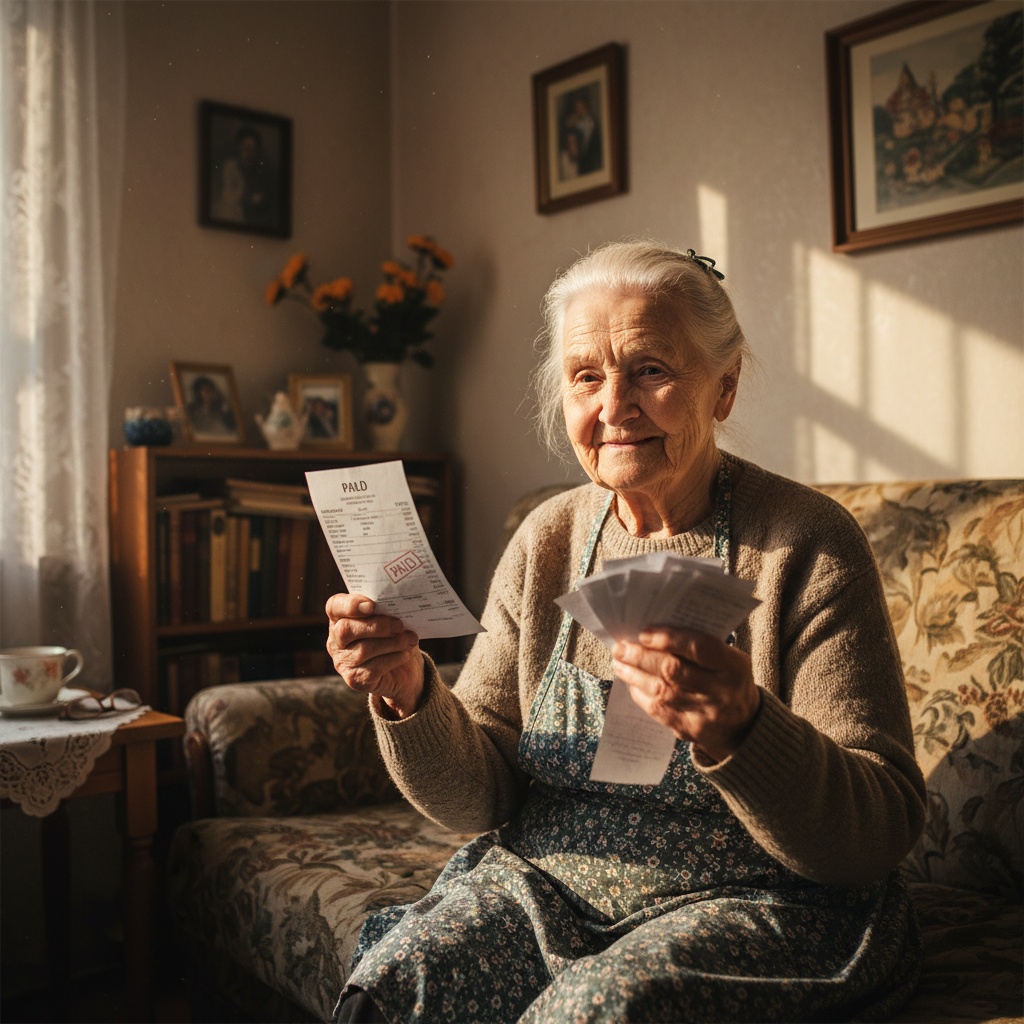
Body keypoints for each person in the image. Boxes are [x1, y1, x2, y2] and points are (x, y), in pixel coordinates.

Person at [327, 240, 926, 1023]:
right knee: (401, 980)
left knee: (600, 1006)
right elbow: (481, 797)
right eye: (586, 376)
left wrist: (746, 729)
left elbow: (877, 831)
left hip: (754, 896)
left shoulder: (806, 542)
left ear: (724, 387)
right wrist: (410, 695)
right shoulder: (547, 539)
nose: (614, 405)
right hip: (551, 886)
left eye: (649, 369)